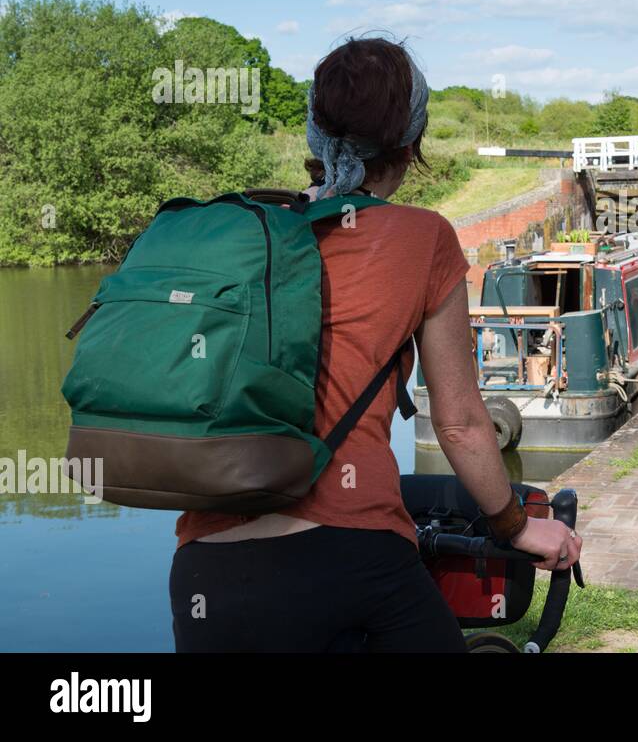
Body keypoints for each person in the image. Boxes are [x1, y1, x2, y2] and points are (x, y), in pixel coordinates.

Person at [169, 36, 581, 652]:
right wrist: (516, 528)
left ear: (313, 134)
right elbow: (464, 424)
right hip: (351, 560)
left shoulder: (244, 228)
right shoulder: (423, 240)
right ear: (410, 144)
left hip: (207, 572)